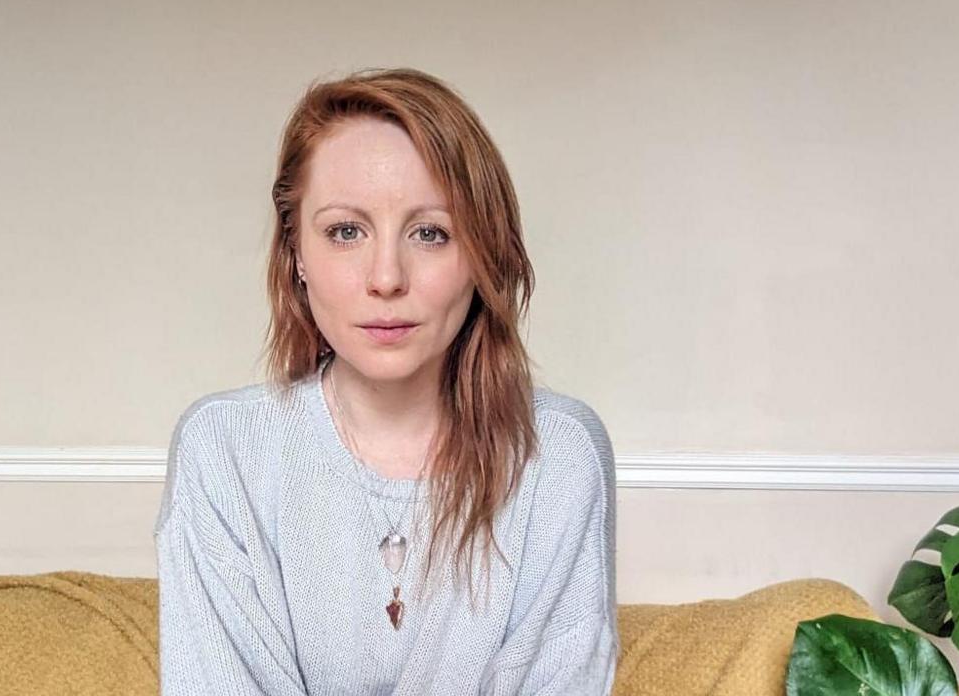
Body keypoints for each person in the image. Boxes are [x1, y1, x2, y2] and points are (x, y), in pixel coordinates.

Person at [153, 67, 617, 695]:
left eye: (431, 233)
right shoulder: (225, 450)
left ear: (481, 255)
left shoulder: (559, 454)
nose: (387, 277)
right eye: (347, 231)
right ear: (295, 252)